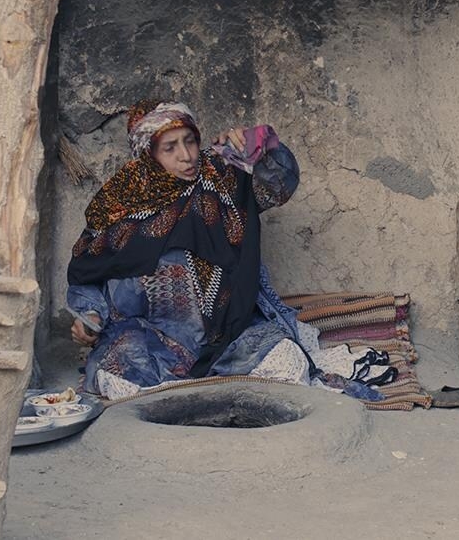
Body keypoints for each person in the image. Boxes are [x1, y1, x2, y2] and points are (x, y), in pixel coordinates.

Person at [65, 99, 301, 398]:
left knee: (286, 360)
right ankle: (193, 396)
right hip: (150, 337)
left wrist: (262, 146)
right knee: (119, 371)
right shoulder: (118, 202)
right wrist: (90, 316)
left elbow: (280, 186)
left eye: (189, 141)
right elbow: (90, 269)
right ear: (147, 153)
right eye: (170, 147)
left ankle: (202, 390)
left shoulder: (221, 175)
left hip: (229, 334)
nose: (187, 156)